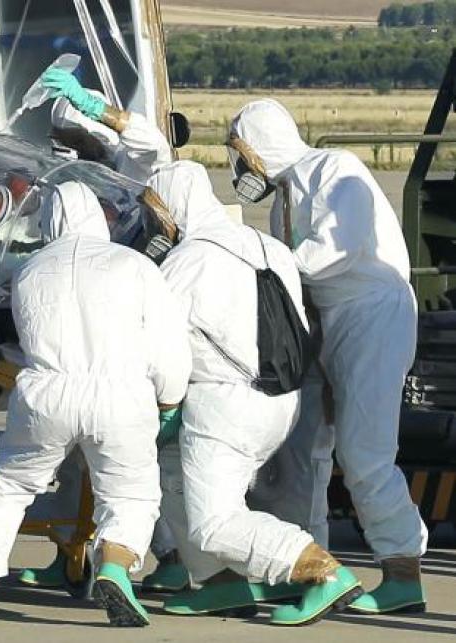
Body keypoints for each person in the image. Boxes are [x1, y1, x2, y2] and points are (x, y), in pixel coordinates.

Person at [0, 181, 192, 626]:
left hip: (47, 393)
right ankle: (116, 567)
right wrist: (170, 399)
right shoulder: (134, 265)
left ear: (49, 222)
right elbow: (167, 344)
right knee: (130, 493)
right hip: (120, 395)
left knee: (8, 486)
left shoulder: (29, 270)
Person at [229, 98, 427, 614]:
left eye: (239, 152)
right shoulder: (282, 200)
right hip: (325, 321)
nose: (239, 167)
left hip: (371, 315)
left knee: (365, 453)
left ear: (258, 144)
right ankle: (309, 565)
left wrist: (271, 270)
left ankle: (402, 570)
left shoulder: (336, 169)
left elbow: (338, 249)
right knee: (298, 450)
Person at [146, 160, 363, 626]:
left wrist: (160, 404)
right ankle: (220, 583)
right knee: (170, 472)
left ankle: (322, 571)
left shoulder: (185, 261)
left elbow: (160, 346)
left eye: (156, 212)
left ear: (173, 209)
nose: (155, 224)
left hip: (222, 407)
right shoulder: (266, 245)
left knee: (215, 521)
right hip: (281, 400)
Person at [18, 70, 190, 596]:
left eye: (76, 140)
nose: (69, 151)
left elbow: (152, 142)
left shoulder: (129, 170)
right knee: (72, 459)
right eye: (62, 144)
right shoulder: (62, 193)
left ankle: (171, 556)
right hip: (81, 331)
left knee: (131, 466)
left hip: (133, 325)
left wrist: (89, 105)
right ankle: (71, 553)